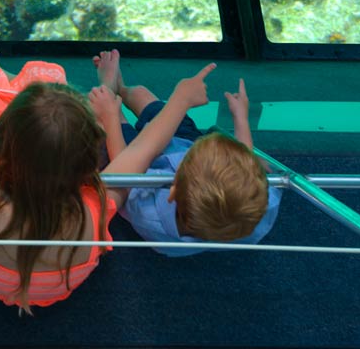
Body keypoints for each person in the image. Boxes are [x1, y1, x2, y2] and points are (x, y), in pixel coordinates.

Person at [0, 29, 214, 313]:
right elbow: (144, 150)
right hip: (57, 289)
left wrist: (3, 151)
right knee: (55, 111)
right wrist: (181, 99)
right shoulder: (94, 211)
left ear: (0, 149)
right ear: (89, 161)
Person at [90, 49, 282, 257]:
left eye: (189, 157)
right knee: (140, 94)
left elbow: (124, 171)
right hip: (181, 143)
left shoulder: (151, 211)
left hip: (137, 166)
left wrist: (109, 116)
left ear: (173, 191)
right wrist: (241, 119)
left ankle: (110, 90)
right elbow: (246, 168)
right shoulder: (260, 207)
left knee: (109, 116)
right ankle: (122, 88)